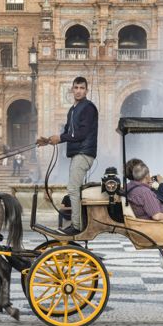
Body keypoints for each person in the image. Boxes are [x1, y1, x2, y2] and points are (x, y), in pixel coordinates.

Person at [38, 76, 99, 235]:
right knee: (74, 188)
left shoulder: (88, 107)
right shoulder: (73, 110)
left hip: (84, 152)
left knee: (73, 188)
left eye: (82, 88)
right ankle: (77, 223)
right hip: (77, 153)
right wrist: (49, 141)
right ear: (72, 89)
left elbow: (82, 133)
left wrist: (61, 138)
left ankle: (77, 226)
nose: (79, 91)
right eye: (76, 88)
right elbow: (67, 133)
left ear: (86, 90)